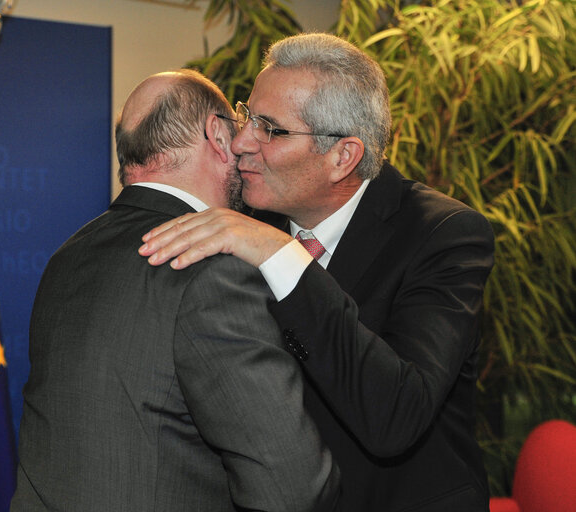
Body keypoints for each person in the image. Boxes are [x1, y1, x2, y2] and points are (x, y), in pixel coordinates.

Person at [139, 34, 495, 512]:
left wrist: (283, 255)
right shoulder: (246, 220)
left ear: (342, 156)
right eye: (247, 115)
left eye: (271, 129)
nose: (241, 142)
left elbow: (397, 415)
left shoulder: (443, 235)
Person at [10, 69, 338, 512]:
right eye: (239, 129)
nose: (245, 146)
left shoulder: (69, 254)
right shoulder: (213, 269)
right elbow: (290, 485)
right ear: (217, 136)